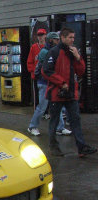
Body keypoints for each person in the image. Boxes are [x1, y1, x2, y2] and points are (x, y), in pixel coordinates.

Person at [42, 27, 97, 157]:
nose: (73, 40)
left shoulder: (73, 52)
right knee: (54, 122)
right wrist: (62, 83)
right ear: (63, 37)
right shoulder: (54, 52)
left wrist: (78, 57)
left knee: (75, 120)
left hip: (71, 93)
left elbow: (81, 71)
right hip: (57, 93)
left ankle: (82, 147)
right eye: (70, 37)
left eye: (73, 37)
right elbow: (46, 71)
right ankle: (53, 147)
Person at [27, 32, 71, 136]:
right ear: (51, 40)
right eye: (56, 39)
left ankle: (59, 127)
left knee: (57, 105)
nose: (58, 41)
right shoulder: (46, 52)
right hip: (44, 83)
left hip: (52, 82)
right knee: (42, 106)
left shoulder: (52, 50)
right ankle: (32, 126)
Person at [27, 28, 47, 111]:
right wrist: (33, 71)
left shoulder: (48, 47)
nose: (40, 37)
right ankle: (37, 111)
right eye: (39, 35)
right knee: (37, 95)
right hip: (37, 75)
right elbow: (29, 61)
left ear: (45, 35)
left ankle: (46, 111)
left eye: (42, 35)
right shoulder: (34, 47)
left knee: (46, 95)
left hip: (46, 75)